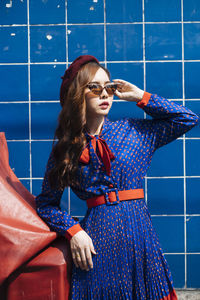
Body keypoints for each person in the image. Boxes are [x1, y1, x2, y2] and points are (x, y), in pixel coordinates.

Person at [35, 55, 199, 300]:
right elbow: (46, 204)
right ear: (78, 94)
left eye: (109, 87)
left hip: (139, 237)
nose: (105, 94)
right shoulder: (66, 148)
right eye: (95, 88)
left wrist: (140, 96)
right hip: (97, 244)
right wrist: (73, 231)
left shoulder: (134, 131)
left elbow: (187, 118)